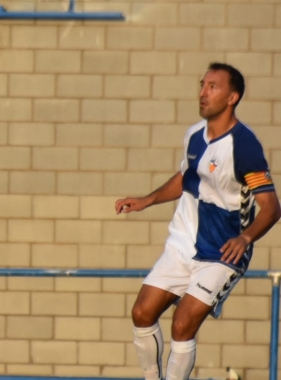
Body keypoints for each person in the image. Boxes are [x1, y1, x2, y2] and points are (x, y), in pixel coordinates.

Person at [115, 62, 281, 380]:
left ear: (232, 98)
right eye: (202, 85)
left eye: (212, 87)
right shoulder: (194, 135)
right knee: (141, 312)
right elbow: (187, 178)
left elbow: (272, 207)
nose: (203, 93)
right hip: (183, 243)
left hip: (222, 253)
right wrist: (147, 200)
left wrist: (245, 238)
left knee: (182, 323)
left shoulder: (244, 146)